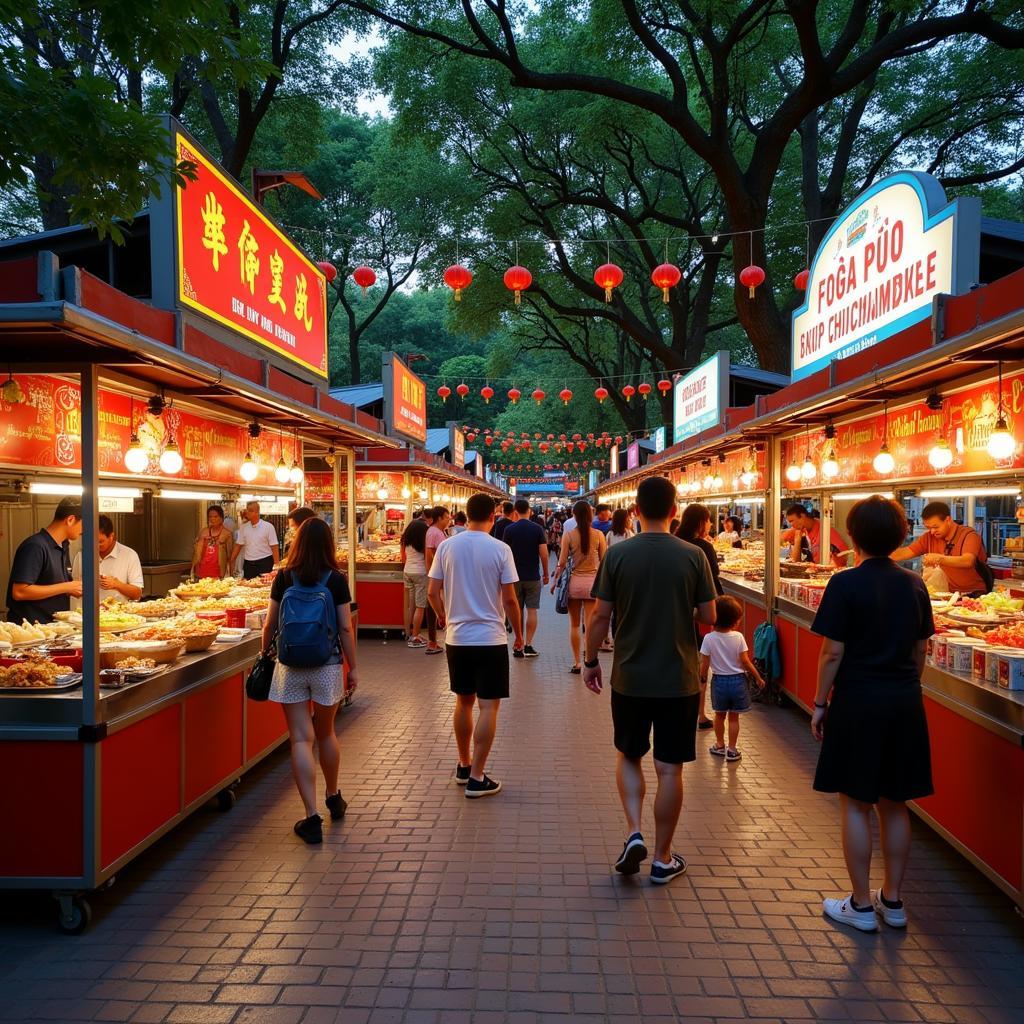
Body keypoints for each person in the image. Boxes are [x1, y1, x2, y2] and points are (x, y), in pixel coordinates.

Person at [584, 477, 717, 884]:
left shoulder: (618, 555)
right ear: (674, 511)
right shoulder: (693, 555)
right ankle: (662, 857)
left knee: (629, 755)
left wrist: (590, 661)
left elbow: (600, 615)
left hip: (629, 676)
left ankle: (633, 832)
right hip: (679, 679)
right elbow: (709, 616)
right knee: (670, 769)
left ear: (636, 510)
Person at [811, 496, 933, 932]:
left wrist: (820, 702)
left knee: (857, 804)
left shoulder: (844, 584)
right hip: (904, 700)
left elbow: (832, 652)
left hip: (859, 700)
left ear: (855, 536)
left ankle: (861, 906)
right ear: (901, 534)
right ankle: (893, 902)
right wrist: (905, 683)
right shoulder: (914, 585)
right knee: (896, 803)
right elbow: (921, 649)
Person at [263, 517, 357, 845]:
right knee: (326, 732)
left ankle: (311, 817)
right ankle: (333, 795)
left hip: (290, 666)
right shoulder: (336, 580)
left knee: (301, 740)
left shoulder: (284, 576)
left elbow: (270, 624)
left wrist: (265, 655)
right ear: (328, 544)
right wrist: (353, 667)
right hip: (327, 665)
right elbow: (345, 628)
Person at [428, 492, 523, 798]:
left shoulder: (446, 546)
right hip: (490, 638)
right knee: (488, 706)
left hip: (457, 638)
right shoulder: (500, 549)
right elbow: (509, 599)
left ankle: (463, 764)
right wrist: (519, 634)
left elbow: (432, 592)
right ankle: (478, 777)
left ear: (465, 516)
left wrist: (444, 617)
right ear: (493, 516)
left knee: (463, 701)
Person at [676, 503, 724, 730]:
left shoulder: (675, 543)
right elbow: (713, 582)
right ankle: (699, 714)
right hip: (701, 616)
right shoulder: (703, 547)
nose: (711, 524)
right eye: (709, 520)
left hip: (677, 616)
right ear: (701, 522)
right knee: (700, 665)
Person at [700, 596, 764, 762]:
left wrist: (701, 679)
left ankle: (719, 745)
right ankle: (733, 749)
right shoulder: (738, 637)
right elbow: (745, 661)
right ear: (735, 621)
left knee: (719, 716)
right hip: (738, 681)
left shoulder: (709, 638)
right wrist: (758, 677)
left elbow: (704, 663)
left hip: (719, 682)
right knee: (734, 718)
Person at [5, 497, 83, 623]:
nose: (84, 530)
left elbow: (50, 584)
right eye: (84, 524)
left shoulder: (63, 546)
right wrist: (66, 587)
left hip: (52, 627)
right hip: (32, 629)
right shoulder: (35, 546)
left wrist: (72, 589)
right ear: (70, 520)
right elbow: (19, 592)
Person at [551, 500, 607, 673]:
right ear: (591, 515)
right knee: (589, 625)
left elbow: (561, 563)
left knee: (574, 625)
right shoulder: (599, 535)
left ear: (574, 515)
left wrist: (554, 582)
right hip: (592, 584)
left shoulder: (568, 535)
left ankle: (577, 663)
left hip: (574, 585)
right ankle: (589, 658)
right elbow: (604, 562)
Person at [891, 501, 990, 596]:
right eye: (928, 527)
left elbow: (967, 561)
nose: (932, 531)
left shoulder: (969, 535)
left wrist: (938, 558)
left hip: (975, 593)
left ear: (948, 520)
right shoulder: (929, 537)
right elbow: (903, 554)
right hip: (948, 594)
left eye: (936, 527)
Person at [502, 498, 549, 658]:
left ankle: (518, 643)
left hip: (513, 577)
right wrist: (546, 573)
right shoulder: (537, 529)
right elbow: (543, 553)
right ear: (529, 511)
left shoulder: (509, 530)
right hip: (533, 576)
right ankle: (528, 645)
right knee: (532, 610)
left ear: (515, 511)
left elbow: (504, 553)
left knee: (516, 610)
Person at [72, 514, 143, 604]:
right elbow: (74, 590)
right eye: (91, 541)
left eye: (100, 541)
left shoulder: (129, 555)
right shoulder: (82, 555)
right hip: (88, 613)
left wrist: (116, 584)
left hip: (118, 613)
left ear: (111, 536)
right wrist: (88, 584)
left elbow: (137, 593)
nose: (96, 545)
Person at [781, 503, 849, 567]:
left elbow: (844, 552)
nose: (791, 525)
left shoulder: (825, 530)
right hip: (814, 571)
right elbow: (795, 560)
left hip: (828, 572)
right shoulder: (801, 529)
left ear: (802, 516)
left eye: (792, 521)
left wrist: (829, 568)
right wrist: (797, 540)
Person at [423, 507, 451, 655]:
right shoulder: (435, 532)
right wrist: (433, 573)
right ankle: (433, 642)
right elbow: (431, 555)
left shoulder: (434, 531)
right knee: (436, 605)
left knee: (434, 605)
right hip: (438, 575)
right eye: (447, 517)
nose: (449, 520)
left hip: (436, 574)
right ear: (439, 518)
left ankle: (433, 641)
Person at [230, 501, 280, 578]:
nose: (247, 512)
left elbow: (274, 547)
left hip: (265, 561)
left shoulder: (268, 527)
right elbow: (238, 545)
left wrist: (276, 565)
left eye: (250, 510)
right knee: (248, 586)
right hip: (248, 563)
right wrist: (231, 560)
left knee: (265, 586)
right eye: (247, 510)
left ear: (257, 512)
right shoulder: (243, 527)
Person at [401, 517, 429, 649]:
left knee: (409, 605)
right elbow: (427, 560)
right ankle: (415, 636)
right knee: (420, 606)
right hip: (420, 573)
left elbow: (403, 558)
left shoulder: (405, 540)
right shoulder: (423, 542)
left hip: (407, 571)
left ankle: (408, 632)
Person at [191, 505, 234, 579]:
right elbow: (195, 551)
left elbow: (230, 556)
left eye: (216, 516)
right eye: (210, 517)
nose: (212, 519)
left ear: (221, 518)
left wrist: (230, 574)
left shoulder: (227, 534)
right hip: (201, 573)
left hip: (217, 574)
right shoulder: (203, 531)